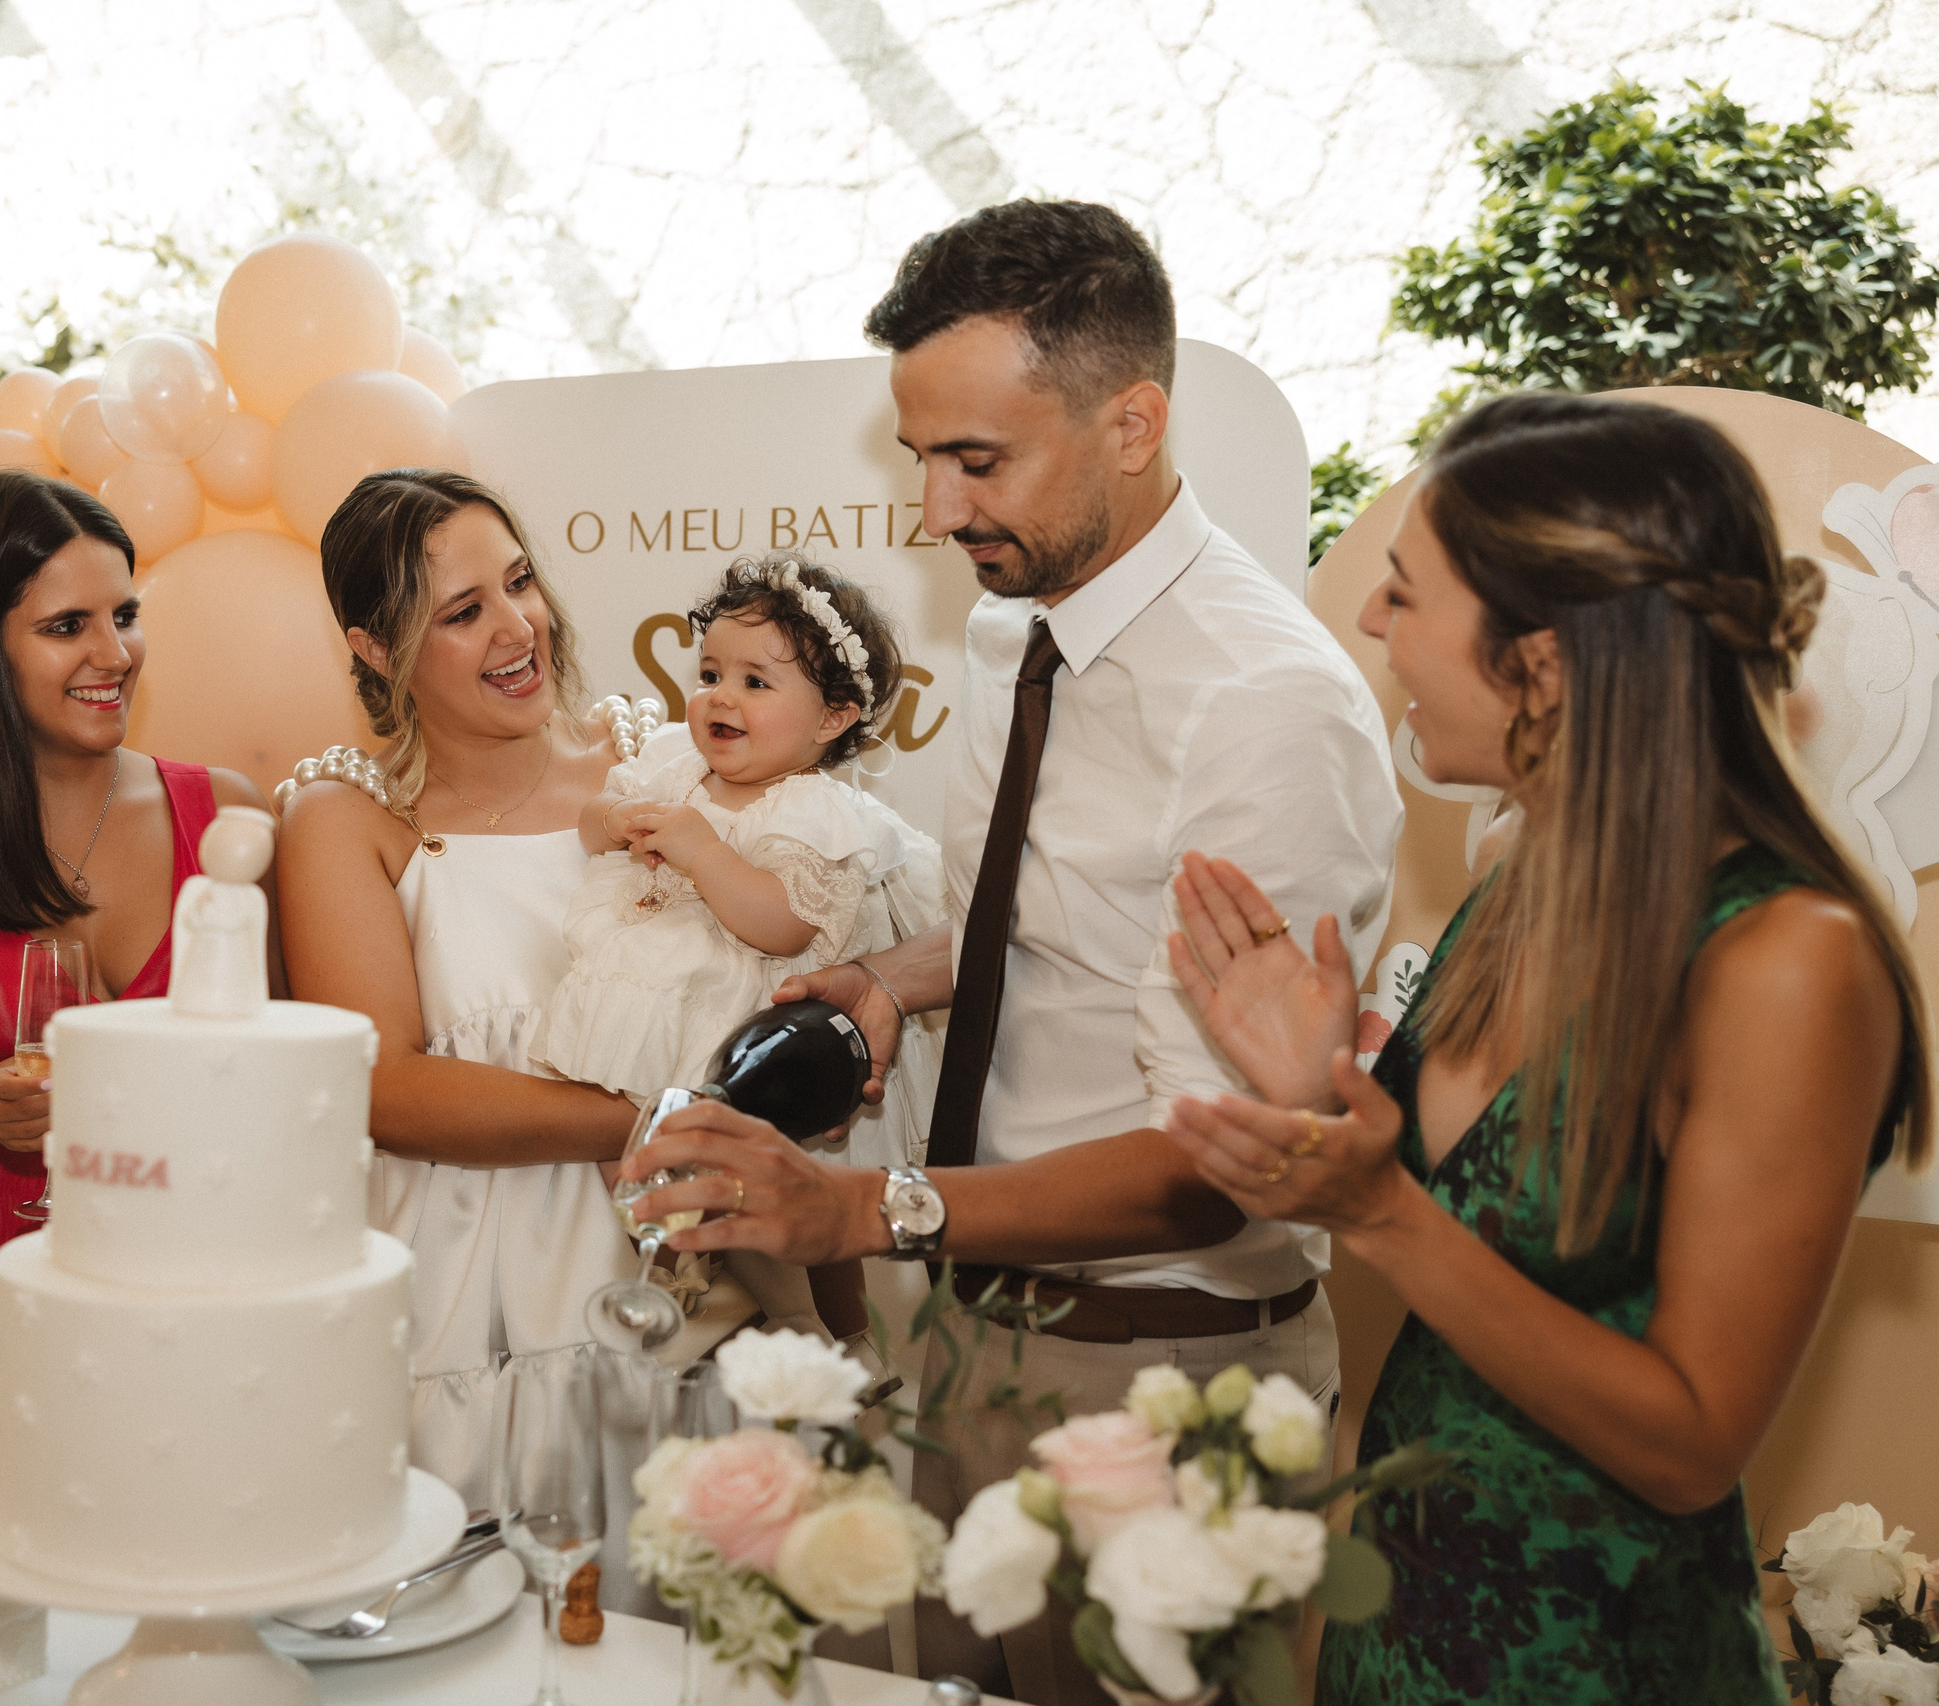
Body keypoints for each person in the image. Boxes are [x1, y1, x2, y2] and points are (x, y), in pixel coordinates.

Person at [619, 199, 1403, 1703]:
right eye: (921, 454)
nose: (931, 509)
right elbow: (1034, 930)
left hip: (1168, 1374)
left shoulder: (1262, 706)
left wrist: (855, 1211)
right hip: (974, 1323)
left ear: (1132, 420)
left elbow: (1223, 1151)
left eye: (975, 459)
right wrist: (895, 978)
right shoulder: (1010, 628)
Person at [1159, 394, 1928, 1703]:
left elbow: (1691, 1441)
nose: (1369, 625)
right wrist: (1309, 1101)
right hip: (1399, 1628)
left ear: (1546, 662)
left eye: (1406, 594)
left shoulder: (1788, 959)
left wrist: (1384, 1211)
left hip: (1599, 1657)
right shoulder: (1521, 890)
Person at [0, 469, 273, 1472]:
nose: (114, 654)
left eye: (124, 614)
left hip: (184, 1280)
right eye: (66, 624)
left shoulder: (229, 819)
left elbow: (285, 1079)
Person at [274, 468, 655, 1527]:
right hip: (465, 1314)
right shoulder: (346, 817)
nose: (517, 626)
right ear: (376, 650)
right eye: (463, 611)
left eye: (520, 581)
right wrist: (647, 1117)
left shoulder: (648, 762)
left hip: (669, 1264)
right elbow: (385, 1088)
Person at [539, 552, 946, 1338]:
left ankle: (848, 1340)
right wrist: (612, 823)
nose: (721, 697)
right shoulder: (672, 763)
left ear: (831, 719)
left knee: (814, 1202)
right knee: (621, 1136)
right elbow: (591, 819)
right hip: (660, 992)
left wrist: (706, 854)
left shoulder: (816, 813)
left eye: (757, 683)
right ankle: (683, 1269)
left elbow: (785, 921)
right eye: (711, 674)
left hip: (754, 1024)